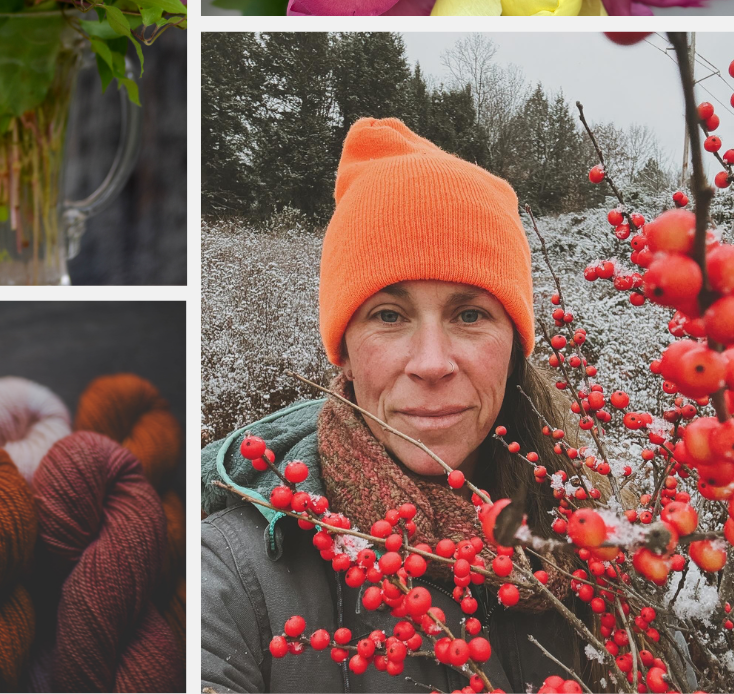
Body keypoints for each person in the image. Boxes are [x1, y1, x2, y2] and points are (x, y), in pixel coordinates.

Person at [200, 118, 578, 691]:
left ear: (515, 348)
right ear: (344, 352)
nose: (431, 362)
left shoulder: (605, 554)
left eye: (470, 314)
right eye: (389, 316)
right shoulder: (230, 579)